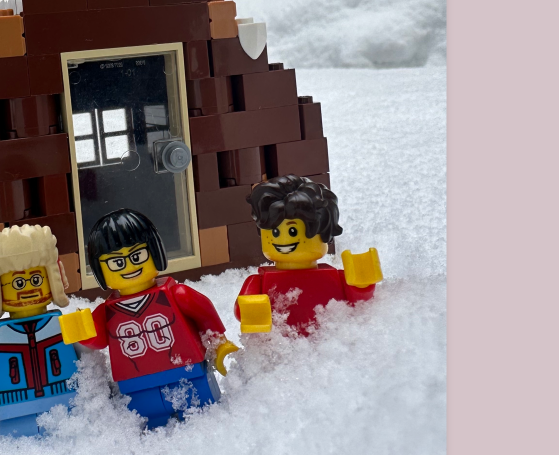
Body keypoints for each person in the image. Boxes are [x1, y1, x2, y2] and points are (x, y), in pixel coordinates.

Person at [61, 208, 238, 429]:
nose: (129, 265)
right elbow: (98, 340)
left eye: (136, 256)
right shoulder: (106, 312)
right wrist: (82, 331)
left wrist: (218, 344)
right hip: (135, 385)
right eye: (116, 262)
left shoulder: (176, 295)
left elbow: (204, 315)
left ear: (155, 252)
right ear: (100, 269)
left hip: (188, 373)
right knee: (151, 423)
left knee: (204, 418)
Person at [233, 176, 382, 335]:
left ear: (324, 231)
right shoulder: (258, 282)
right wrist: (253, 312)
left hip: (328, 342)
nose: (283, 240)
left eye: (292, 231)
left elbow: (359, 302)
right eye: (275, 232)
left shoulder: (336, 278)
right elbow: (241, 311)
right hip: (282, 345)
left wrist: (362, 284)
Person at [0, 224, 78, 437]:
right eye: (17, 282)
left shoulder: (60, 323)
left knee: (72, 436)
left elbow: (85, 351)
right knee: (17, 439)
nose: (28, 289)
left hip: (65, 399)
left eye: (36, 279)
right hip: (13, 403)